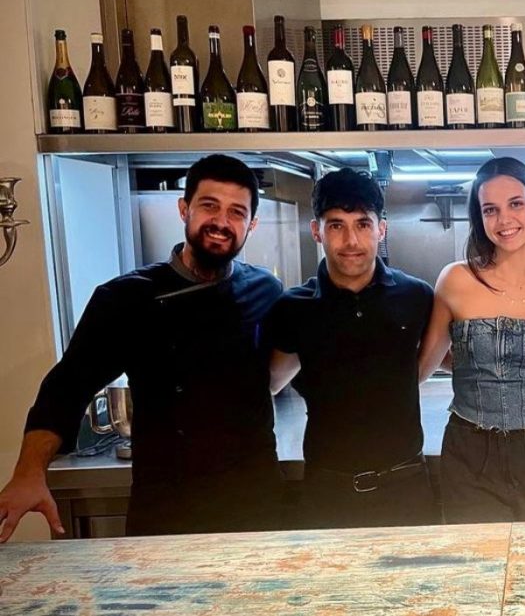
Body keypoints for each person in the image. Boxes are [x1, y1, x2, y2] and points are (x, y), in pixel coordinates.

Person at [0, 154, 284, 539]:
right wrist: (28, 473)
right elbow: (66, 388)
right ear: (184, 209)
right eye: (209, 206)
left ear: (251, 224)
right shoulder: (126, 298)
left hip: (256, 507)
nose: (221, 222)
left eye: (236, 212)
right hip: (168, 508)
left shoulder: (266, 290)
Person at [263, 169, 436, 529]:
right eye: (336, 225)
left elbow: (435, 360)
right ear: (316, 231)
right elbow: (272, 382)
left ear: (381, 229)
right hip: (328, 490)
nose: (351, 240)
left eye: (362, 224)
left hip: (406, 485)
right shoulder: (293, 308)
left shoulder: (416, 295)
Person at [418, 157, 525, 523]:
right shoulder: (456, 280)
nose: (504, 220)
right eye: (490, 210)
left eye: (515, 204)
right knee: (476, 556)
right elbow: (422, 368)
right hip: (469, 453)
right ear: (479, 218)